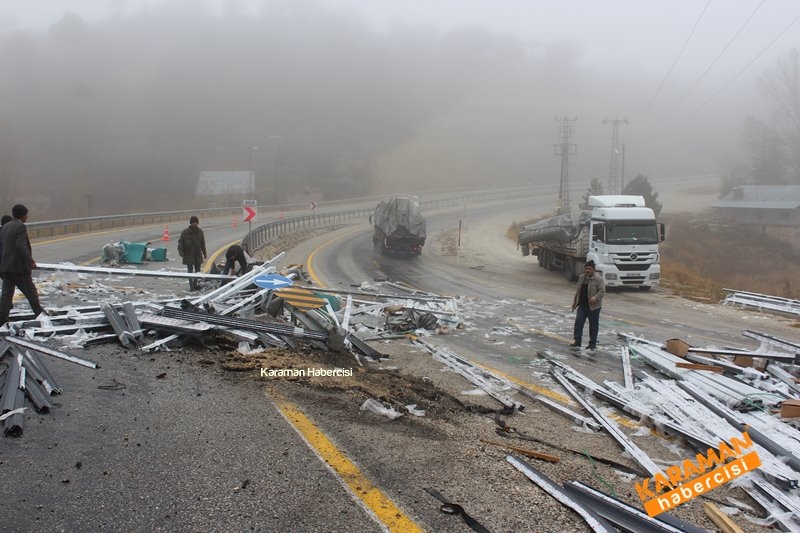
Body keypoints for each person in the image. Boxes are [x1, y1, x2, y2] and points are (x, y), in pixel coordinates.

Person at [0, 204, 45, 325]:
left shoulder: (5, 226)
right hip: (18, 268)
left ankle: (2, 320)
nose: (27, 216)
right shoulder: (20, 227)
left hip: (6, 267)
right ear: (23, 214)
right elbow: (21, 246)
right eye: (26, 214)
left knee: (6, 295)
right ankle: (40, 316)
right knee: (31, 292)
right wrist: (30, 261)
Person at [570, 259, 605, 350]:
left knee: (593, 326)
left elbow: (602, 291)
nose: (587, 271)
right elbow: (578, 291)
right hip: (582, 305)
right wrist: (575, 302)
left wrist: (595, 298)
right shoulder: (582, 277)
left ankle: (592, 344)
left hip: (594, 307)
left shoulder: (598, 279)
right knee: (578, 322)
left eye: (589, 269)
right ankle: (577, 341)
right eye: (586, 269)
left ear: (593, 269)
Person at [177, 215, 206, 291]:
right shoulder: (185, 232)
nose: (195, 224)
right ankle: (191, 286)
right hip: (188, 254)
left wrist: (204, 253)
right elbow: (180, 243)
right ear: (190, 223)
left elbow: (202, 243)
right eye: (193, 222)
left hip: (197, 254)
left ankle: (195, 284)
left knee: (197, 272)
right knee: (190, 272)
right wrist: (181, 252)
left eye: (196, 222)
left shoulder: (200, 232)